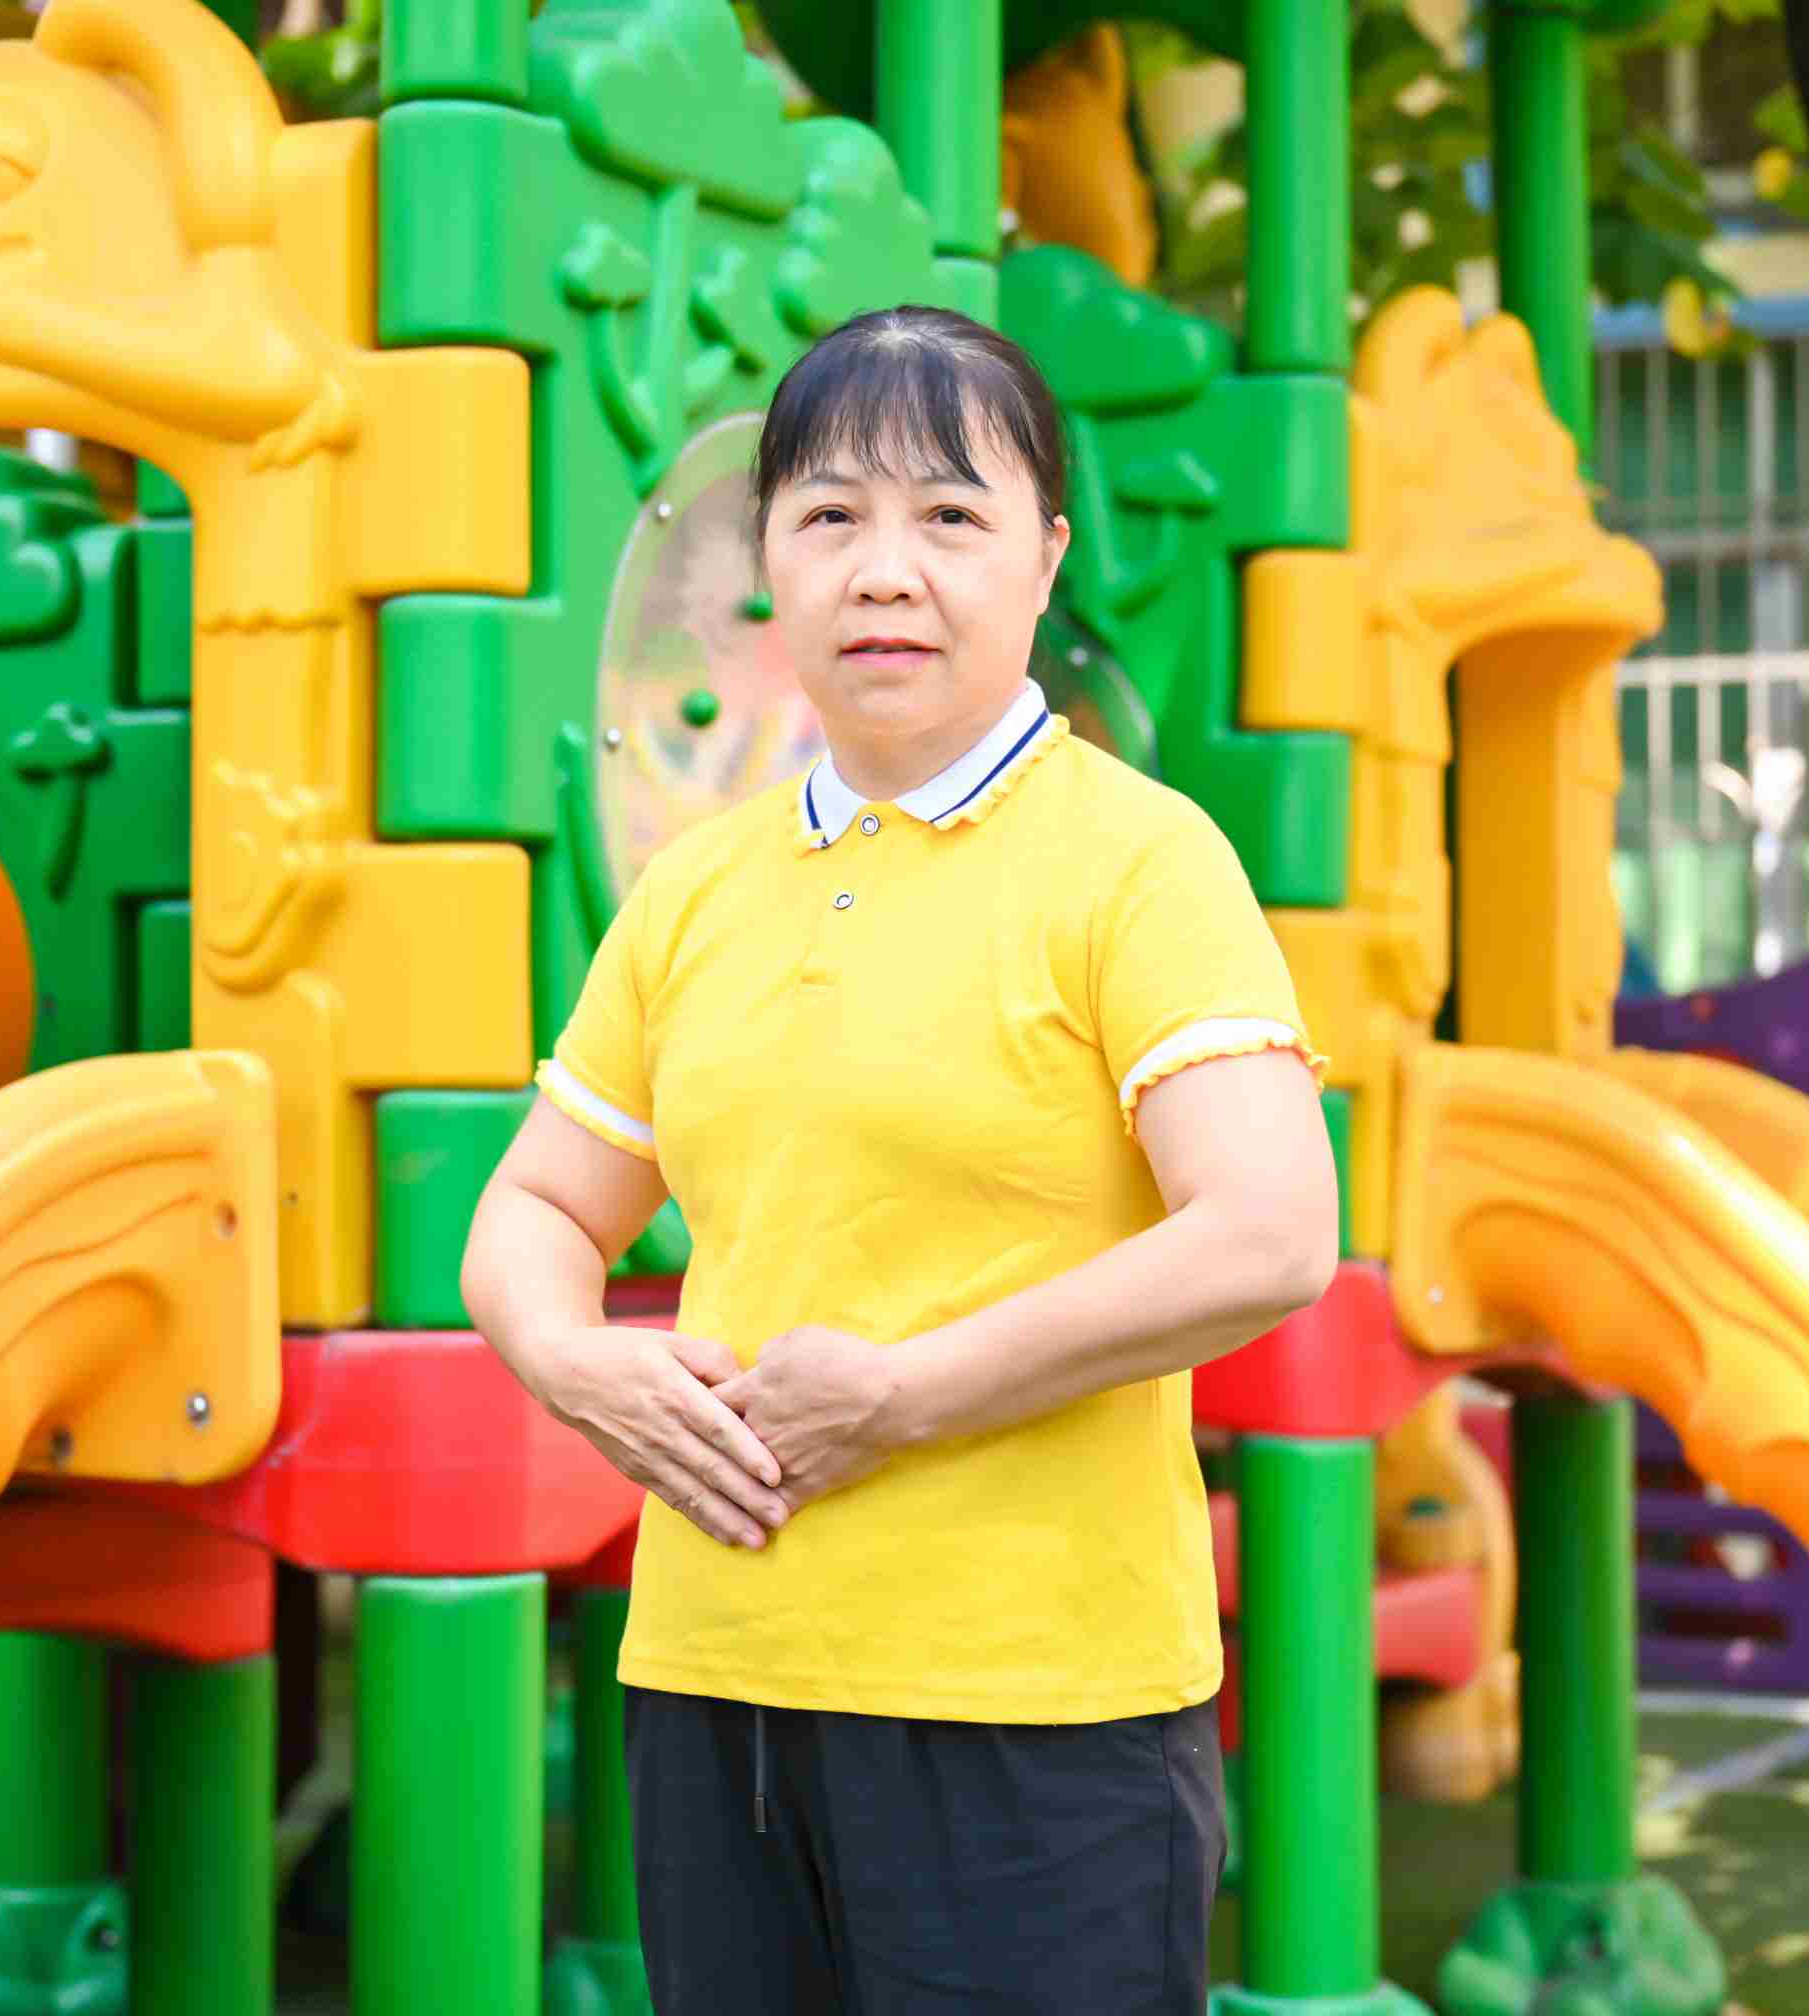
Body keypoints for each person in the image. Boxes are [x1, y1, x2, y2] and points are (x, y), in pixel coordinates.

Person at [461, 303, 1340, 2013]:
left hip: (1037, 1706)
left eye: (950, 515)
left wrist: (905, 1396)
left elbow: (1270, 1231)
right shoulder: (694, 890)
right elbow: (541, 1205)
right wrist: (571, 1361)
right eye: (829, 517)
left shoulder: (1140, 862)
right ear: (767, 565)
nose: (885, 572)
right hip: (717, 1686)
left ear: (1045, 559)